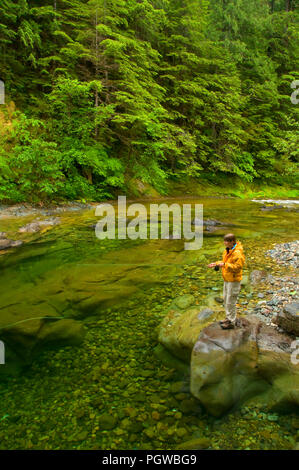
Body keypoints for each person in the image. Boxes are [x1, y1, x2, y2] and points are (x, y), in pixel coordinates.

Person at [207, 233, 245, 329]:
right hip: (227, 279)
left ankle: (231, 322)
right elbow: (225, 262)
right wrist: (216, 263)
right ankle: (228, 318)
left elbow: (238, 267)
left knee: (230, 301)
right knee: (226, 299)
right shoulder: (228, 250)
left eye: (226, 241)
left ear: (232, 241)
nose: (225, 243)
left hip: (233, 280)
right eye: (224, 241)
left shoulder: (237, 253)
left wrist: (224, 265)